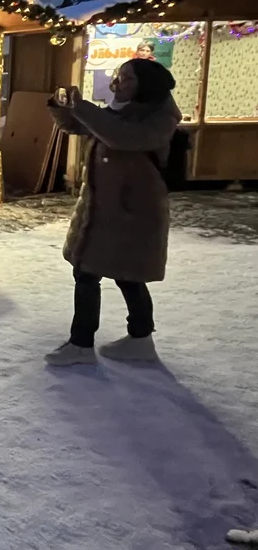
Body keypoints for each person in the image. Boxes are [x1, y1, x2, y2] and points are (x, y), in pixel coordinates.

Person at [44, 58, 181, 366]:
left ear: (145, 85)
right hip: (106, 210)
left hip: (133, 211)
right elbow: (82, 125)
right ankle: (139, 338)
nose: (115, 84)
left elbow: (121, 137)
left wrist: (83, 107)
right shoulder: (122, 111)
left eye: (125, 79)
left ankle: (84, 343)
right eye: (117, 77)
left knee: (108, 273)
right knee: (112, 273)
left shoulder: (159, 117)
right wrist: (62, 105)